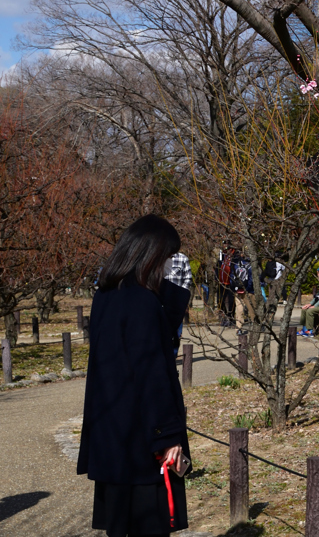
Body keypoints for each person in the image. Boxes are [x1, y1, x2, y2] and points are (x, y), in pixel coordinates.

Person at [78, 214, 191, 537]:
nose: (170, 264)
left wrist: (166, 303)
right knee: (150, 526)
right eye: (168, 256)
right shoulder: (141, 302)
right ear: (153, 255)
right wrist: (168, 436)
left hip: (111, 435)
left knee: (119, 528)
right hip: (142, 442)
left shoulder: (106, 296)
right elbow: (152, 373)